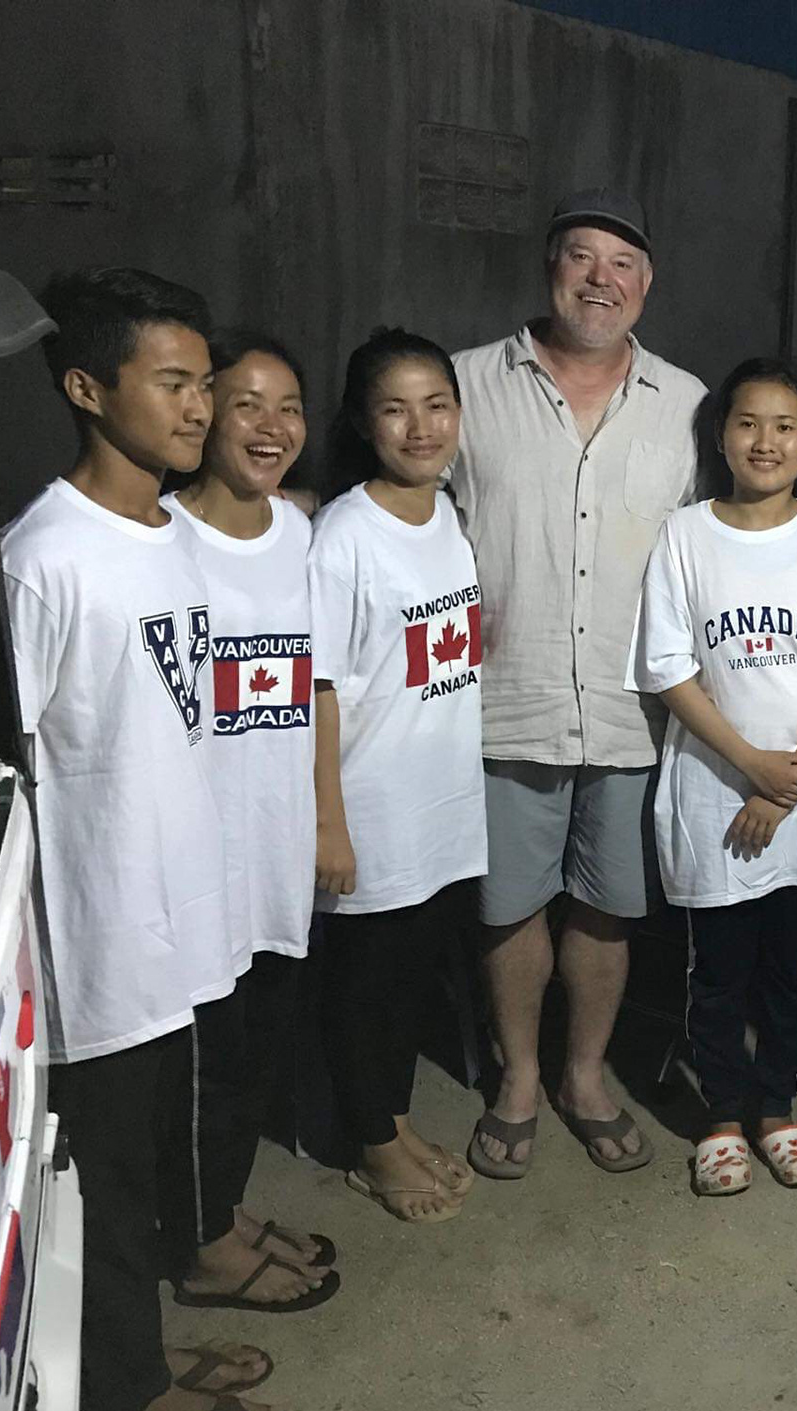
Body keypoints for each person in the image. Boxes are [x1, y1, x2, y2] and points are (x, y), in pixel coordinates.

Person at [449, 188, 797, 1179]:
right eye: (581, 257)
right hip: (510, 696)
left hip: (630, 713)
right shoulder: (468, 385)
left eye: (623, 264)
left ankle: (586, 1078)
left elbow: (756, 513)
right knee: (511, 906)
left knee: (608, 908)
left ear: (646, 285)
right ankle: (520, 1080)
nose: (600, 279)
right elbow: (403, 493)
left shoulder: (685, 401)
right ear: (550, 267)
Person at [2, 268, 294, 1411]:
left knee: (151, 1162)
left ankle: (137, 1357)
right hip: (98, 937)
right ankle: (125, 1404)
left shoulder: (170, 531)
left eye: (204, 383)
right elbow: (2, 772)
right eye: (172, 383)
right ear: (87, 388)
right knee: (101, 1183)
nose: (199, 407)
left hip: (178, 921)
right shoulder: (44, 559)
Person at [626, 357, 797, 1197]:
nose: (765, 441)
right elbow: (668, 670)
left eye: (785, 426)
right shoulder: (685, 535)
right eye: (747, 423)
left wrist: (786, 785)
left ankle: (776, 1108)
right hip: (714, 793)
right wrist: (753, 768)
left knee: (794, 972)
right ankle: (722, 1117)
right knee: (717, 972)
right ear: (721, 435)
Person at [160, 329, 337, 1312]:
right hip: (197, 860)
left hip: (274, 844)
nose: (272, 427)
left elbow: (315, 686)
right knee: (206, 1065)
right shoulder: (161, 537)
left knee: (254, 1048)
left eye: (290, 408)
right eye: (247, 405)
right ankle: (200, 1248)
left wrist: (324, 821)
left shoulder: (300, 536)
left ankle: (221, 1214)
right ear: (203, 413)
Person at [310, 328, 487, 1223]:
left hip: (441, 800)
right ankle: (371, 1148)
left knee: (412, 976)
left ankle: (398, 1122)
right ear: (361, 422)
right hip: (373, 803)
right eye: (395, 409)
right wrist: (329, 821)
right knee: (365, 986)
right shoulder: (344, 535)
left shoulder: (448, 511)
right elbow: (318, 687)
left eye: (437, 405)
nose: (421, 428)